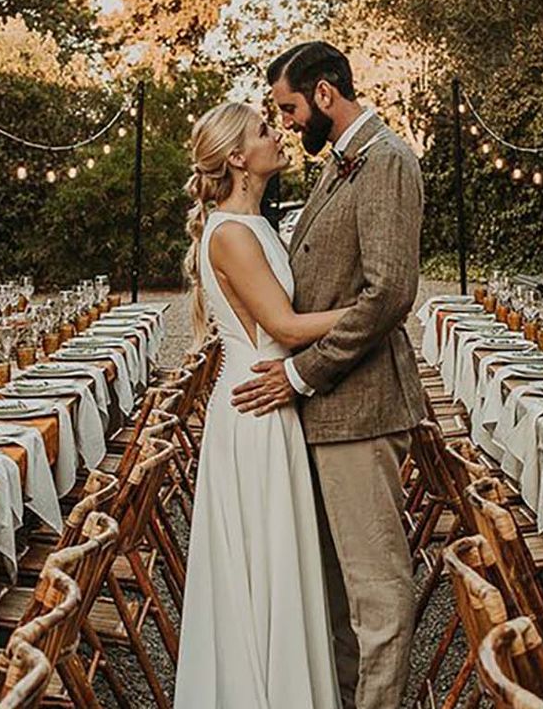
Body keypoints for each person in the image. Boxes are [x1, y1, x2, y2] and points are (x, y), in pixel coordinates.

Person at [232, 41, 425, 709]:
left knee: (379, 595)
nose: (284, 123)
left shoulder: (386, 162)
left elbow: (389, 293)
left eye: (288, 108)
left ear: (323, 93)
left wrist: (301, 375)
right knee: (338, 591)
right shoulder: (340, 165)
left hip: (361, 409)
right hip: (327, 414)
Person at [173, 100, 343, 709]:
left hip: (267, 402)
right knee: (262, 562)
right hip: (256, 411)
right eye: (264, 131)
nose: (279, 135)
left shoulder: (257, 224)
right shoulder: (232, 234)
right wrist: (372, 312)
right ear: (239, 158)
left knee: (278, 561)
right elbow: (285, 325)